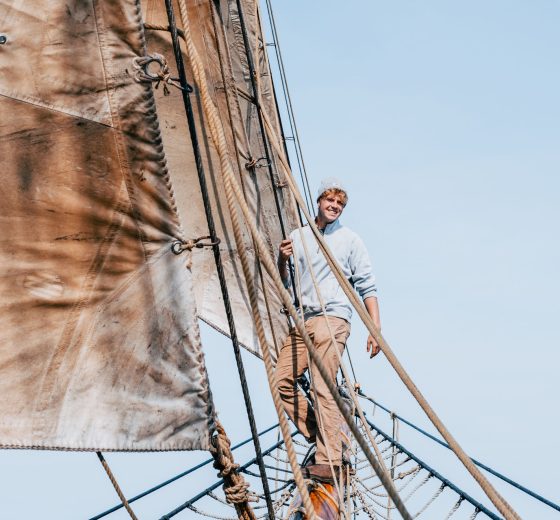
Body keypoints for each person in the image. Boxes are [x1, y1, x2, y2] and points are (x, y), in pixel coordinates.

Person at [275, 177, 381, 483]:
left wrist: (375, 328)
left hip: (333, 319)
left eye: (340, 204)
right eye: (329, 201)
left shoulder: (350, 240)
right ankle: (323, 434)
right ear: (318, 202)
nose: (334, 207)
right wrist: (282, 258)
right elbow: (286, 282)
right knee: (281, 380)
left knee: (323, 386)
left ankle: (331, 459)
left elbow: (367, 285)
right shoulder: (298, 236)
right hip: (303, 320)